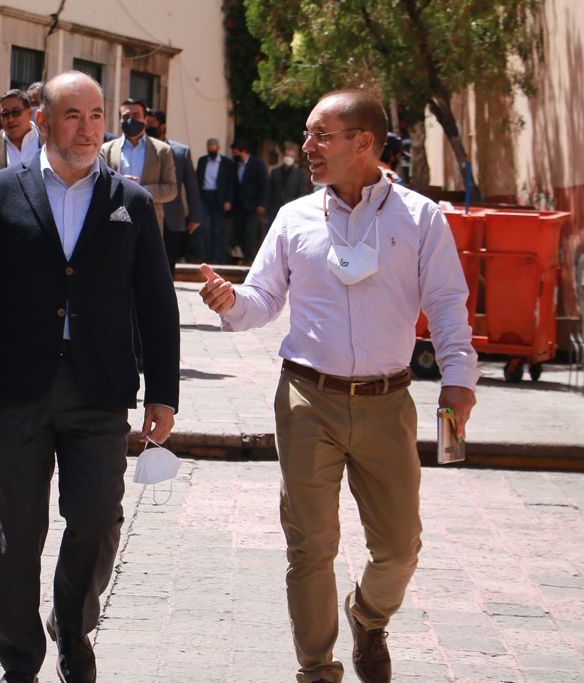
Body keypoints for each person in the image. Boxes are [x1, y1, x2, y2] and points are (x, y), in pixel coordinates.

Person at [198, 89, 478, 683]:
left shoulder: (420, 217)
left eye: (320, 135)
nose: (307, 147)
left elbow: (447, 303)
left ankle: (368, 616)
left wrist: (459, 378)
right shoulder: (294, 217)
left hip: (388, 402)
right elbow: (262, 299)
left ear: (364, 143)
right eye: (308, 134)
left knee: (400, 548)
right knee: (310, 546)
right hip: (307, 399)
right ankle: (317, 669)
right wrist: (231, 301)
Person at [0, 71, 180, 683]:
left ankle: (71, 626)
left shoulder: (131, 203)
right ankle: (20, 660)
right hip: (14, 386)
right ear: (42, 122)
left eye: (96, 115)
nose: (89, 128)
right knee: (18, 531)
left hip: (99, 389)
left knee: (98, 520)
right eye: (73, 115)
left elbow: (157, 304)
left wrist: (164, 393)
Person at [100, 98, 177, 231]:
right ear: (120, 120)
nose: (130, 120)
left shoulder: (163, 150)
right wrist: (119, 185)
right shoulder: (106, 150)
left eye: (136, 115)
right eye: (126, 117)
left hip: (150, 221)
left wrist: (140, 190)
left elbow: (171, 189)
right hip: (116, 221)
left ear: (145, 119)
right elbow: (99, 185)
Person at [146, 109, 201, 274]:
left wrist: (194, 216)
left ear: (163, 126)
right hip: (146, 213)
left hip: (172, 217)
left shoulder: (180, 152)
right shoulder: (138, 151)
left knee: (168, 265)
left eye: (151, 124)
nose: (147, 127)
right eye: (146, 124)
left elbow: (191, 185)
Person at [194, 138, 234, 263]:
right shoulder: (202, 161)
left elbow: (231, 184)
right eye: (209, 150)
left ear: (218, 149)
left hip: (218, 198)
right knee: (200, 226)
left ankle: (215, 257)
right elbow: (197, 179)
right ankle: (200, 256)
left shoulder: (226, 163)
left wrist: (228, 201)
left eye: (213, 149)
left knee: (216, 229)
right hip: (203, 196)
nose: (211, 152)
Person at [229, 140, 269, 264]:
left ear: (243, 151)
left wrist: (262, 203)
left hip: (253, 205)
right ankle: (240, 256)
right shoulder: (235, 164)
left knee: (250, 232)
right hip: (238, 205)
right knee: (239, 231)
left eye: (235, 152)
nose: (234, 155)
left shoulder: (257, 164)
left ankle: (248, 258)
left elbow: (264, 185)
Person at [268, 141, 313, 225]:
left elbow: (302, 192)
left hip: (292, 211)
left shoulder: (300, 174)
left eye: (291, 156)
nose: (289, 158)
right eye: (287, 155)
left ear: (294, 159)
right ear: (283, 156)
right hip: (274, 210)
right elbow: (269, 190)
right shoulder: (275, 172)